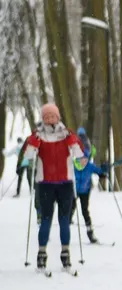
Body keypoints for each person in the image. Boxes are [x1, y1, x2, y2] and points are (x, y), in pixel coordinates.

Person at [22, 103, 84, 271]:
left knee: (64, 220)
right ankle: (41, 254)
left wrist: (74, 143)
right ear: (43, 119)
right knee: (46, 220)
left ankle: (65, 253)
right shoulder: (38, 135)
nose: (50, 119)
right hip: (45, 184)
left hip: (65, 183)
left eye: (52, 116)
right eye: (46, 116)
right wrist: (32, 143)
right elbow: (28, 156)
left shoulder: (66, 134)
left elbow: (80, 155)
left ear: (58, 117)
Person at [72, 156, 106, 243]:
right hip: (73, 191)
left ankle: (90, 233)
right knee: (70, 209)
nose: (84, 162)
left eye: (86, 159)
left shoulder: (89, 166)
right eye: (82, 159)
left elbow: (99, 171)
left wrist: (103, 171)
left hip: (85, 191)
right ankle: (65, 231)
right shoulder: (72, 165)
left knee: (85, 211)